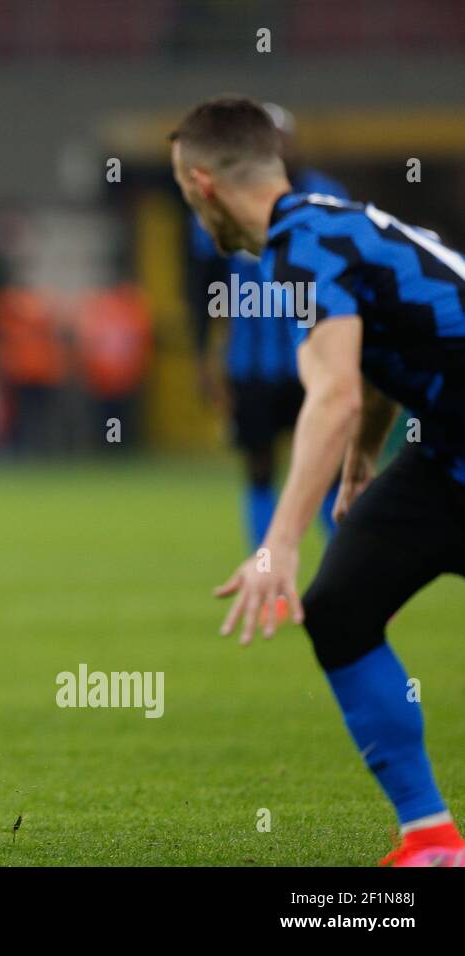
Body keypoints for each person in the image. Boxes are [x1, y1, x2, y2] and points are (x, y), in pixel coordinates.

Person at [171, 96, 465, 867]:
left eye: (186, 199)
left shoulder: (301, 244)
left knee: (329, 595)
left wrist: (278, 546)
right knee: (341, 609)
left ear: (202, 186)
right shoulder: (335, 223)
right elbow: (388, 356)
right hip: (447, 460)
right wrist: (364, 456)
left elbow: (330, 393)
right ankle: (431, 839)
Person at [187, 103, 346, 548]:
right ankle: (266, 569)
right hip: (250, 365)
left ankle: (343, 569)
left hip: (315, 358)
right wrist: (204, 356)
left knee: (329, 466)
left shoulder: (325, 197)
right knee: (259, 466)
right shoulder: (219, 201)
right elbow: (204, 286)